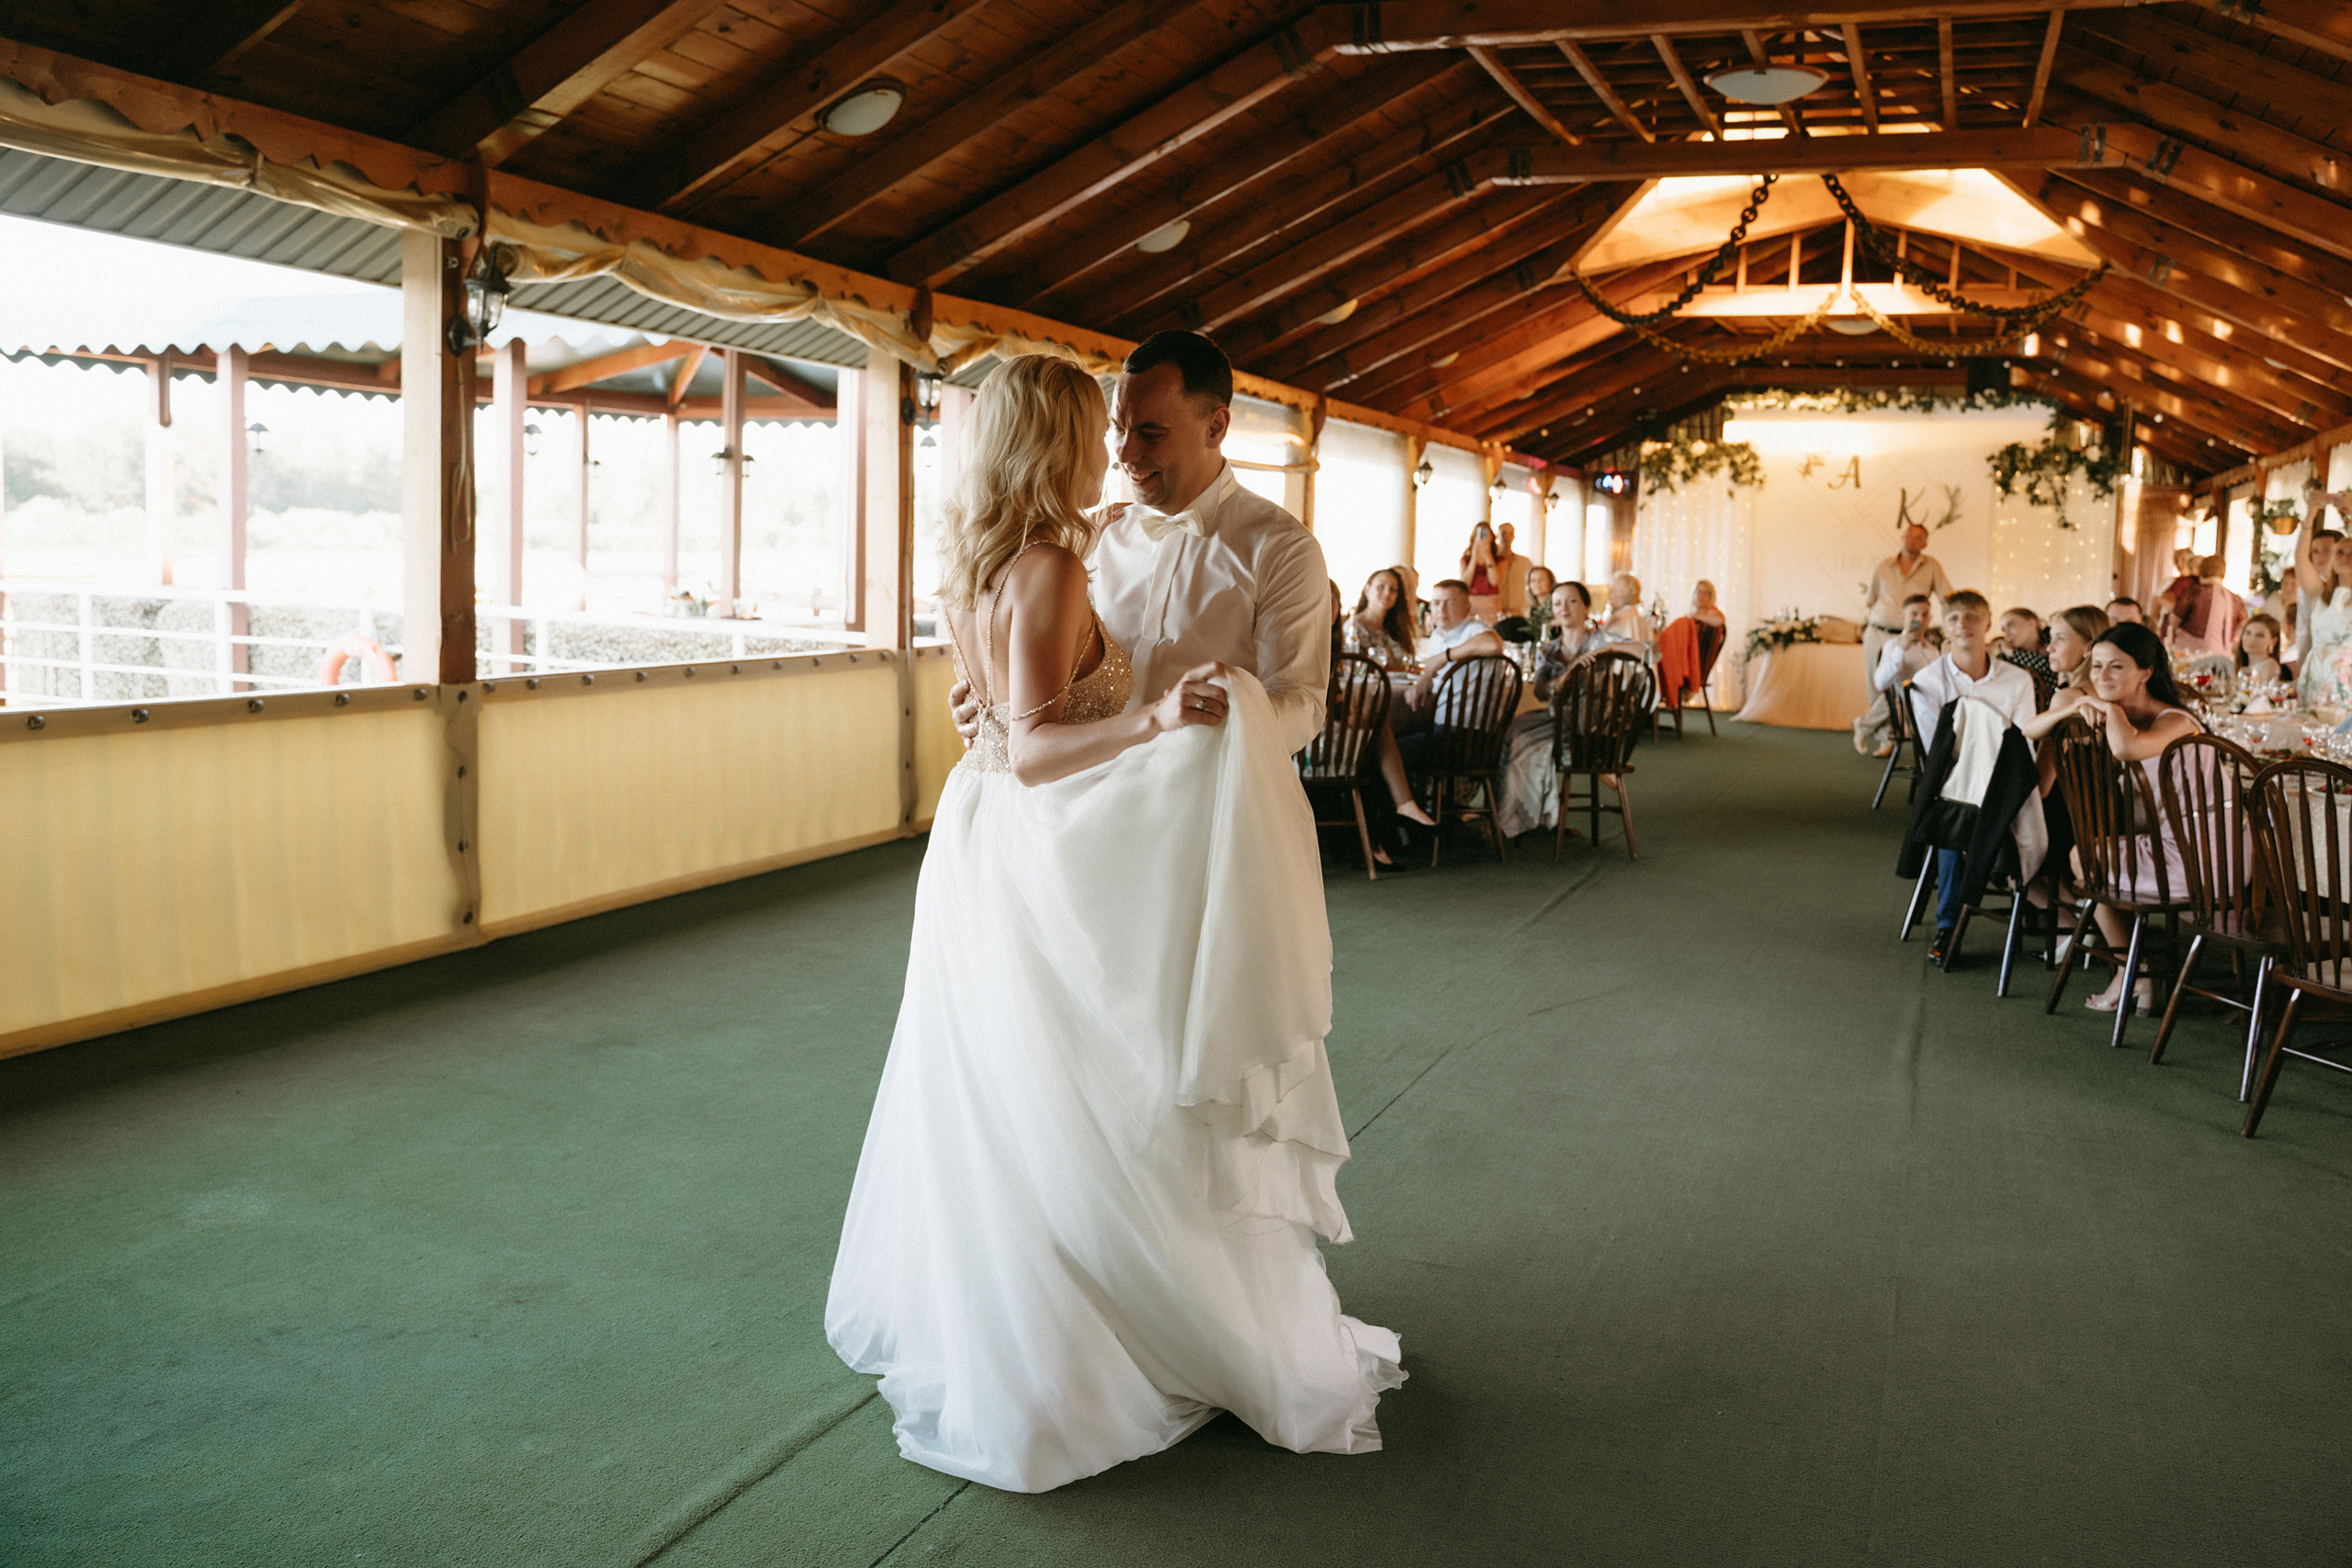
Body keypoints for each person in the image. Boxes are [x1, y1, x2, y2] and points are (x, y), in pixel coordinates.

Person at [860, 346, 1404, 1495]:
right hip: (1067, 851)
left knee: (1148, 1085)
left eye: (1150, 435)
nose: (1125, 454)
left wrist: (1200, 722)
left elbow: (1300, 706)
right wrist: (1023, 712)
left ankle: (1121, 1317)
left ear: (1215, 425)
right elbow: (1032, 704)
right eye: (1113, 432)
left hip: (1188, 850)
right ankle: (1099, 1324)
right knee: (1072, 1090)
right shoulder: (1081, 540)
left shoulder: (1279, 547)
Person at [2066, 623, 2204, 1014]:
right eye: (2096, 667)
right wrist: (2083, 706)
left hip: (2208, 853)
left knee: (2086, 859)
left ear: (2145, 673)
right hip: (2172, 840)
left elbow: (2127, 749)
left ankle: (2131, 970)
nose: (2102, 677)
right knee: (2085, 857)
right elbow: (2033, 728)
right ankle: (2133, 970)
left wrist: (2107, 707)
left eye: (2116, 667)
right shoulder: (2130, 716)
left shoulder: (2176, 721)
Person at [1911, 591, 2039, 965]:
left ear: (1987, 623)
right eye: (1954, 619)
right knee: (1959, 818)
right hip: (1953, 783)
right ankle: (1950, 925)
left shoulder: (2017, 680)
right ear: (1945, 628)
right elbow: (1938, 752)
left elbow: (2027, 739)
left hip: (2008, 779)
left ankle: (2041, 907)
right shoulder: (1928, 681)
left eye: (1971, 617)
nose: (1962, 625)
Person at [1496, 581, 1632, 838]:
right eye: (1558, 603)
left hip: (1591, 728)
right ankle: (1523, 818)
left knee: (1525, 745)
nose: (1564, 608)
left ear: (1585, 606)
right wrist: (1566, 676)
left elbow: (1651, 651)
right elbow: (1539, 691)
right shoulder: (1549, 649)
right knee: (1508, 733)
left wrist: (1611, 649)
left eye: (1572, 601)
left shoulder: (1601, 639)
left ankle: (1526, 821)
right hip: (1559, 720)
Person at [1860, 521, 1955, 728]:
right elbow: (1871, 599)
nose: (1912, 539)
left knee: (1903, 688)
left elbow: (1947, 598)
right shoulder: (1884, 566)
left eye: (1919, 537)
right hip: (1877, 632)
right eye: (1909, 534)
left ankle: (1872, 727)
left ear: (1925, 544)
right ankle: (1886, 738)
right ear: (1902, 537)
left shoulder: (1932, 567)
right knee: (1876, 686)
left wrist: (1954, 626)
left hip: (1910, 636)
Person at [2290, 500, 2352, 709]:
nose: (2345, 557)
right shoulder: (2320, 594)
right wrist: (2310, 514)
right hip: (2316, 672)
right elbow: (2300, 558)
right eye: (2340, 552)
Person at [1861, 594, 1940, 756]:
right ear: (1903, 617)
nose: (1920, 619)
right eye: (1914, 614)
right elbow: (1880, 683)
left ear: (1930, 618)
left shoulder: (1933, 650)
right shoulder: (1893, 646)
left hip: (1935, 706)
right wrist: (1901, 649)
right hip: (1912, 711)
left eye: (1925, 614)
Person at [1343, 567, 1417, 671]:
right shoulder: (1354, 627)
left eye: (1393, 589)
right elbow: (1358, 669)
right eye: (1381, 587)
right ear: (1367, 590)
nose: (1387, 593)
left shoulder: (1395, 626)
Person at [1460, 523, 1504, 622]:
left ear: (1491, 537)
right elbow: (1464, 583)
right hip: (1471, 606)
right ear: (1474, 537)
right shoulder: (1465, 560)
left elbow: (1494, 581)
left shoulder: (1500, 560)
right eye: (1479, 534)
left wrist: (1488, 555)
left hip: (1491, 607)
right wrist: (1474, 558)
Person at [1493, 520, 1533, 618]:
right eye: (1503, 533)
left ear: (1513, 537)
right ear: (1497, 536)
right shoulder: (1491, 562)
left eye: (1510, 533)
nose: (1506, 537)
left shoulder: (1525, 562)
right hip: (1496, 613)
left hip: (1519, 614)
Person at [1603, 570, 1654, 647]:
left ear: (1622, 594)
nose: (1609, 595)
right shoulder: (1642, 621)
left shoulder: (1617, 621)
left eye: (1613, 590)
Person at [2238, 612, 2288, 687]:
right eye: (2248, 633)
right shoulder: (2242, 665)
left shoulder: (2270, 667)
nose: (2251, 639)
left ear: (2273, 641)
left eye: (2260, 635)